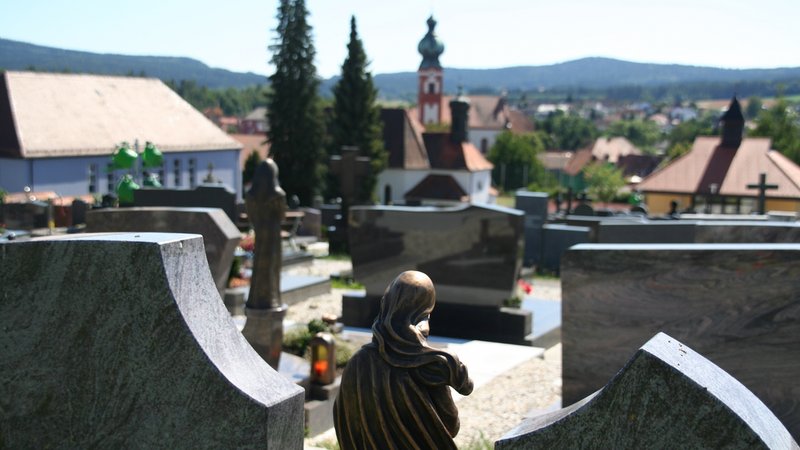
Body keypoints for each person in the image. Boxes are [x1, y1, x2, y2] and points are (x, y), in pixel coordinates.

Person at [334, 271, 473, 450]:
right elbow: (450, 427)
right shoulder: (431, 367)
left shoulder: (357, 364)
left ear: (387, 304)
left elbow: (345, 424)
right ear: (423, 316)